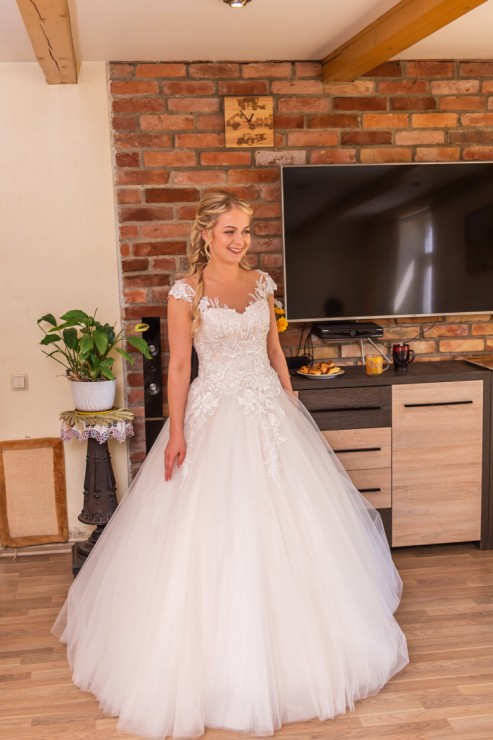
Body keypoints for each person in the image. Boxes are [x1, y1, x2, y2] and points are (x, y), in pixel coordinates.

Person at [53, 190, 408, 740]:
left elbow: (274, 352)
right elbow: (178, 368)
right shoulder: (185, 292)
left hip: (268, 411)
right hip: (213, 411)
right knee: (208, 526)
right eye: (229, 232)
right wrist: (176, 431)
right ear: (206, 235)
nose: (240, 241)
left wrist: (290, 400)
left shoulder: (263, 284)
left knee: (289, 522)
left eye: (245, 231)